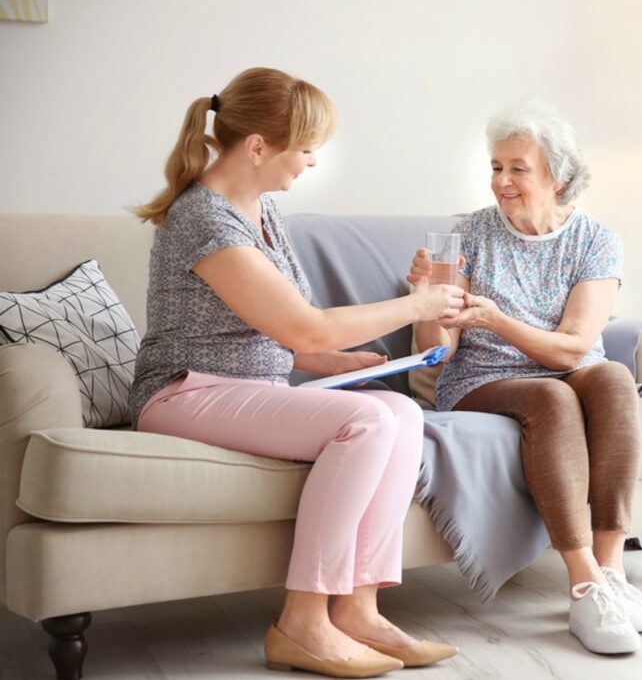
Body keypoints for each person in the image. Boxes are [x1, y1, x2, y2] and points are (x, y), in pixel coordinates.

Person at [130, 67, 462, 678]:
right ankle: (303, 623)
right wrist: (419, 306)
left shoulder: (262, 211)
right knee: (364, 421)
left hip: (243, 389)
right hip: (182, 392)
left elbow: (277, 332)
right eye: (307, 148)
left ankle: (358, 609)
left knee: (401, 410)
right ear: (258, 146)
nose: (311, 163)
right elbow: (302, 326)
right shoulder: (205, 219)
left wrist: (337, 362)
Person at [408, 99, 642, 655]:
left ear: (557, 175)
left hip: (564, 367)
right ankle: (583, 581)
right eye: (497, 167)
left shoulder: (595, 240)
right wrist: (423, 305)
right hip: (481, 379)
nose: (502, 180)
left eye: (518, 168)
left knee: (612, 377)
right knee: (552, 399)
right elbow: (440, 353)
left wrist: (495, 316)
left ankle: (611, 572)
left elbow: (573, 349)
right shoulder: (466, 236)